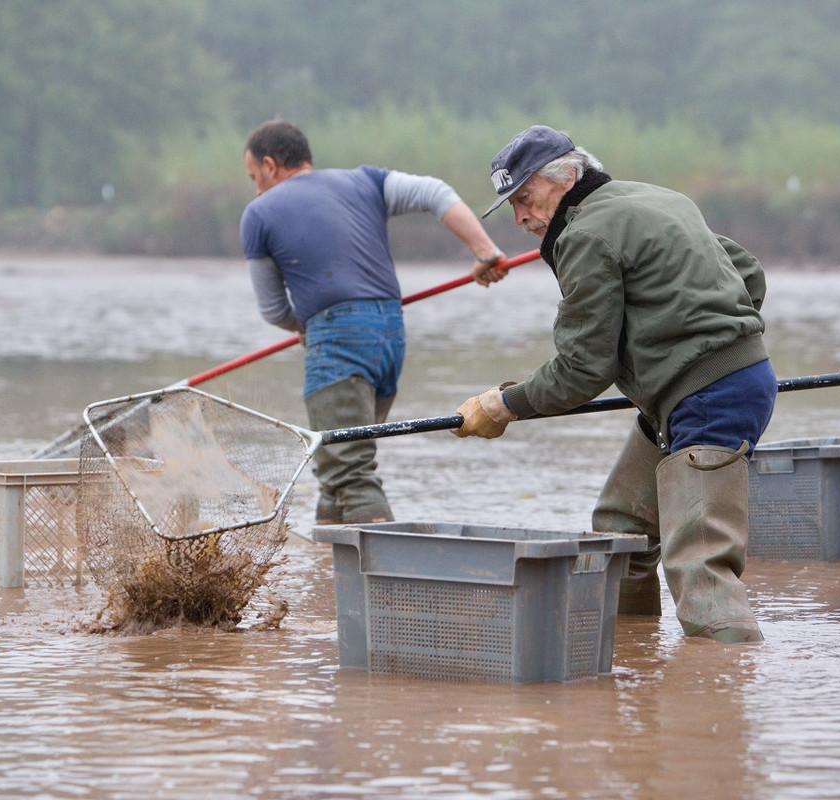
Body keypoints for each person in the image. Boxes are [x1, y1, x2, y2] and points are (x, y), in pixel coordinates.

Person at [454, 125, 776, 643]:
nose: (521, 219)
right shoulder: (658, 198)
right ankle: (629, 652)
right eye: (511, 207)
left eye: (525, 200)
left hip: (710, 398)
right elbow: (748, 273)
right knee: (620, 525)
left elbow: (582, 370)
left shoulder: (583, 236)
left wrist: (504, 404)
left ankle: (720, 697)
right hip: (694, 395)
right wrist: (698, 342)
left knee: (700, 564)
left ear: (564, 179)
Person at [241, 119, 506, 525]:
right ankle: (326, 578)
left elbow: (273, 310)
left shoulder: (259, 213)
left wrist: (304, 327)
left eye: (255, 177)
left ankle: (385, 580)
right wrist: (485, 251)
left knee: (350, 472)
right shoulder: (366, 181)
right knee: (335, 470)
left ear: (271, 165)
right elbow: (436, 192)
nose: (256, 188)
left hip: (338, 344)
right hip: (389, 338)